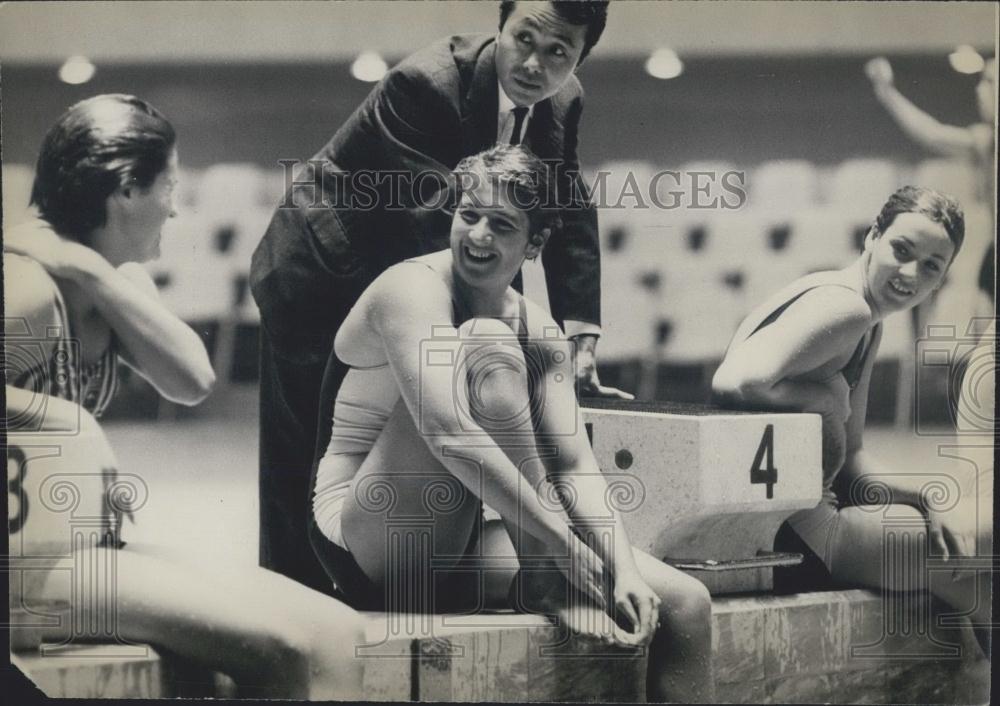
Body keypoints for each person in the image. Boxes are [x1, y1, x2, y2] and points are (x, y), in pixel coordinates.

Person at [309, 144, 714, 702]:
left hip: (470, 526)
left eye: (501, 225)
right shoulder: (410, 290)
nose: (478, 236)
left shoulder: (540, 329)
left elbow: (574, 463)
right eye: (469, 214)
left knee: (684, 604)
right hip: (369, 531)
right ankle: (544, 575)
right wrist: (563, 548)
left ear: (535, 245)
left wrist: (620, 565)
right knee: (485, 344)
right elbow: (448, 434)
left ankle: (548, 569)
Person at [250, 0, 631, 593]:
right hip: (320, 269)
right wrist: (514, 335)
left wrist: (578, 331)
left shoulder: (565, 98)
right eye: (523, 39)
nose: (534, 64)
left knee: (441, 402)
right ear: (500, 26)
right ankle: (288, 598)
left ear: (582, 57)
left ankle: (432, 551)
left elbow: (562, 200)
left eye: (559, 52)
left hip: (412, 252)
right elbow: (454, 227)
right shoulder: (423, 83)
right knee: (305, 445)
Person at [4, 94, 365, 699]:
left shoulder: (106, 272)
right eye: (168, 187)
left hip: (77, 551)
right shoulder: (26, 287)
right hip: (24, 567)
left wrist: (95, 274)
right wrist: (61, 420)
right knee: (279, 649)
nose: (174, 209)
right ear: (125, 189)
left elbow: (190, 380)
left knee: (339, 632)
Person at [711, 186, 990, 659]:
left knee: (978, 586)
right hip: (795, 537)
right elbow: (734, 380)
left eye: (930, 266)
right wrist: (824, 397)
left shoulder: (869, 316)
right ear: (872, 237)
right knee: (983, 545)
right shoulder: (848, 307)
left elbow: (853, 458)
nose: (910, 275)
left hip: (795, 523)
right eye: (902, 250)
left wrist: (921, 496)